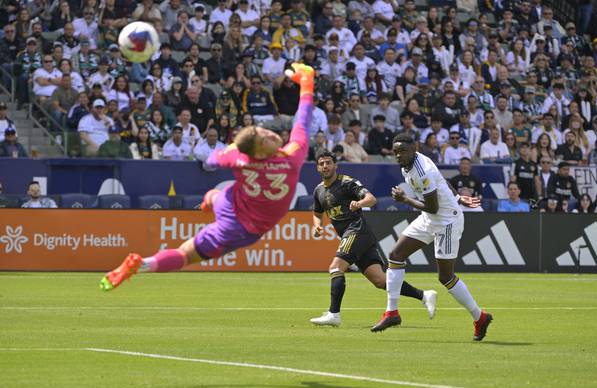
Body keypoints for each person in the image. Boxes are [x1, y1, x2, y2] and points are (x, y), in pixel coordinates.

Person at [100, 63, 316, 292]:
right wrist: (306, 85)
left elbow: (211, 160)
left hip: (231, 202)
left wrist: (233, 150)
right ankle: (141, 264)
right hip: (239, 226)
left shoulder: (237, 156)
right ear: (261, 152)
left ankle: (209, 199)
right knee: (186, 256)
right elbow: (301, 121)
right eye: (265, 137)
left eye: (265, 132)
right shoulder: (293, 157)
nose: (270, 134)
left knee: (216, 195)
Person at [370, 134, 492, 341]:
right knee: (395, 255)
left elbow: (433, 206)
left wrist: (404, 199)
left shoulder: (421, 170)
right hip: (429, 218)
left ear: (414, 148)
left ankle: (479, 317)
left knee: (445, 277)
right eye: (395, 151)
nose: (398, 155)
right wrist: (456, 197)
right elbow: (442, 184)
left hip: (446, 221)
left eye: (403, 151)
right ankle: (392, 313)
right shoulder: (409, 164)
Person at [309, 151, 437, 326]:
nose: (325, 166)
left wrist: (359, 203)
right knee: (380, 281)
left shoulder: (347, 183)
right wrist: (317, 225)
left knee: (336, 267)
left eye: (328, 163)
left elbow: (372, 199)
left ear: (335, 165)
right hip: (357, 237)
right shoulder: (319, 190)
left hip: (356, 231)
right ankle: (424, 295)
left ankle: (334, 314)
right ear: (317, 167)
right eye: (321, 163)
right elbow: (317, 213)